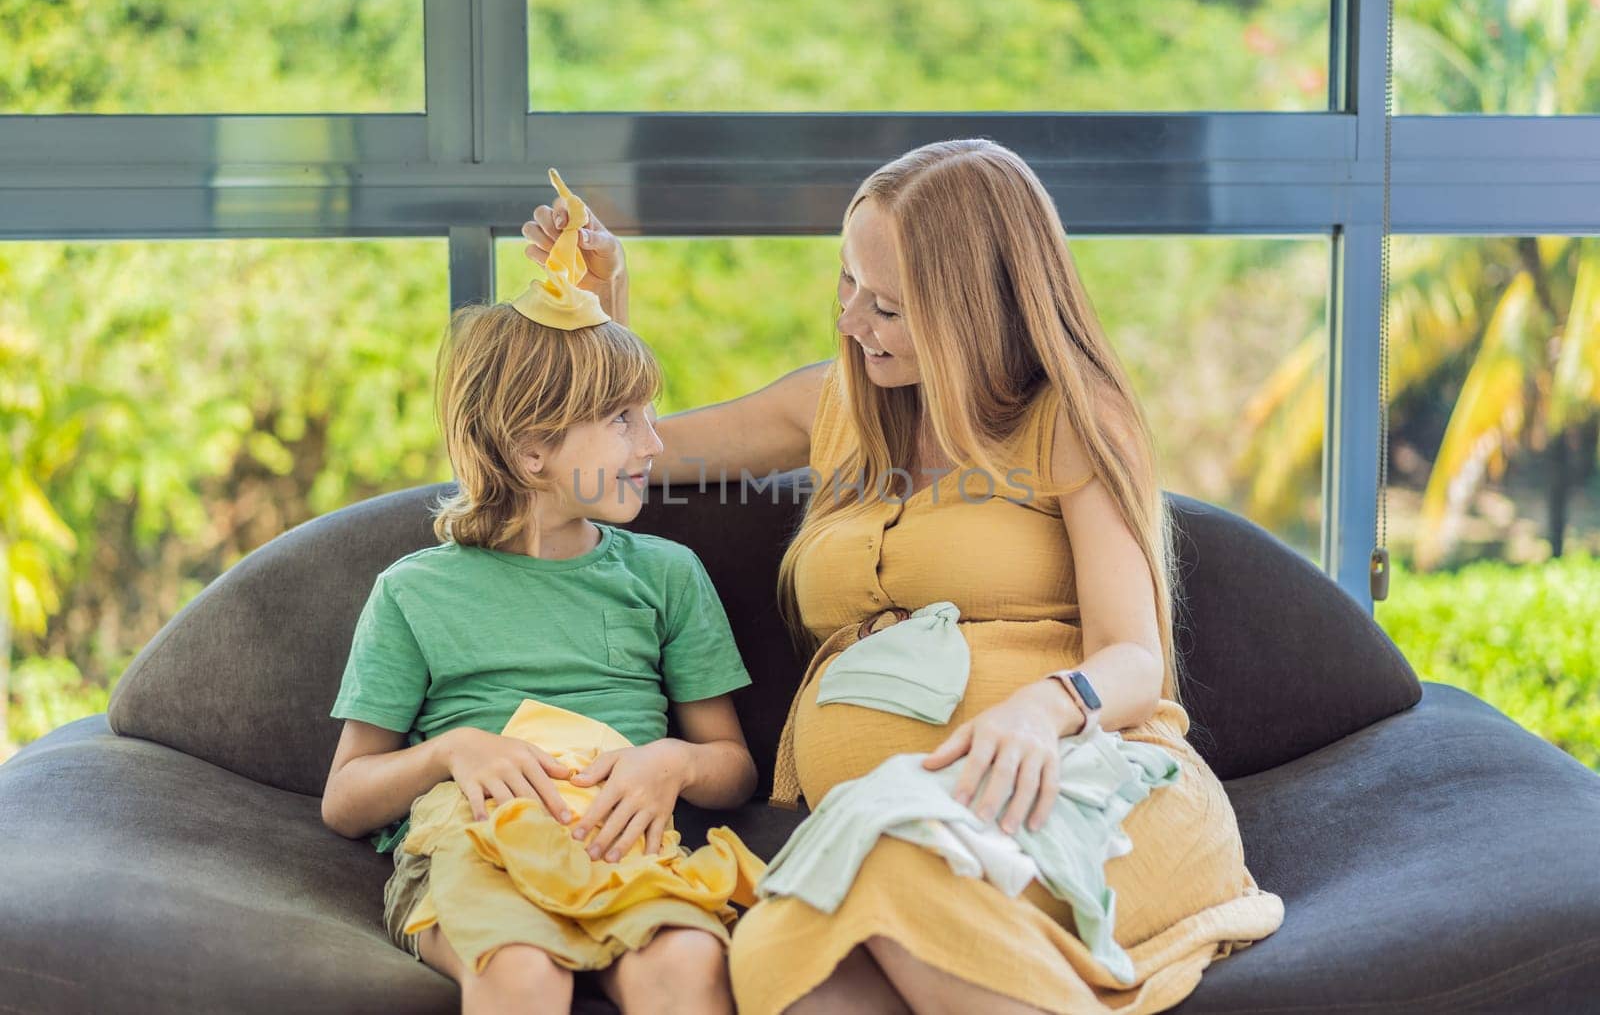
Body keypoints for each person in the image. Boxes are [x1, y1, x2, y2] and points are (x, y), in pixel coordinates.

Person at [521, 138, 1284, 1014]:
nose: (852, 321)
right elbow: (625, 465)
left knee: (880, 875)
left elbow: (1134, 659)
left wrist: (1041, 709)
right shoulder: (833, 408)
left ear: (976, 310)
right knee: (777, 951)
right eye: (847, 283)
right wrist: (599, 310)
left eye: (887, 306)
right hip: (883, 831)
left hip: (1082, 789)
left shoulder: (1071, 418)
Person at [320, 194, 759, 1015]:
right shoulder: (415, 592)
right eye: (623, 421)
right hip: (471, 837)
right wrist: (453, 750)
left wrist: (673, 761)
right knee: (522, 969)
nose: (655, 444)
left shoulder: (667, 575)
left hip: (624, 837)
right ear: (531, 450)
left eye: (649, 416)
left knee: (692, 963)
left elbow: (731, 765)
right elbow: (346, 797)